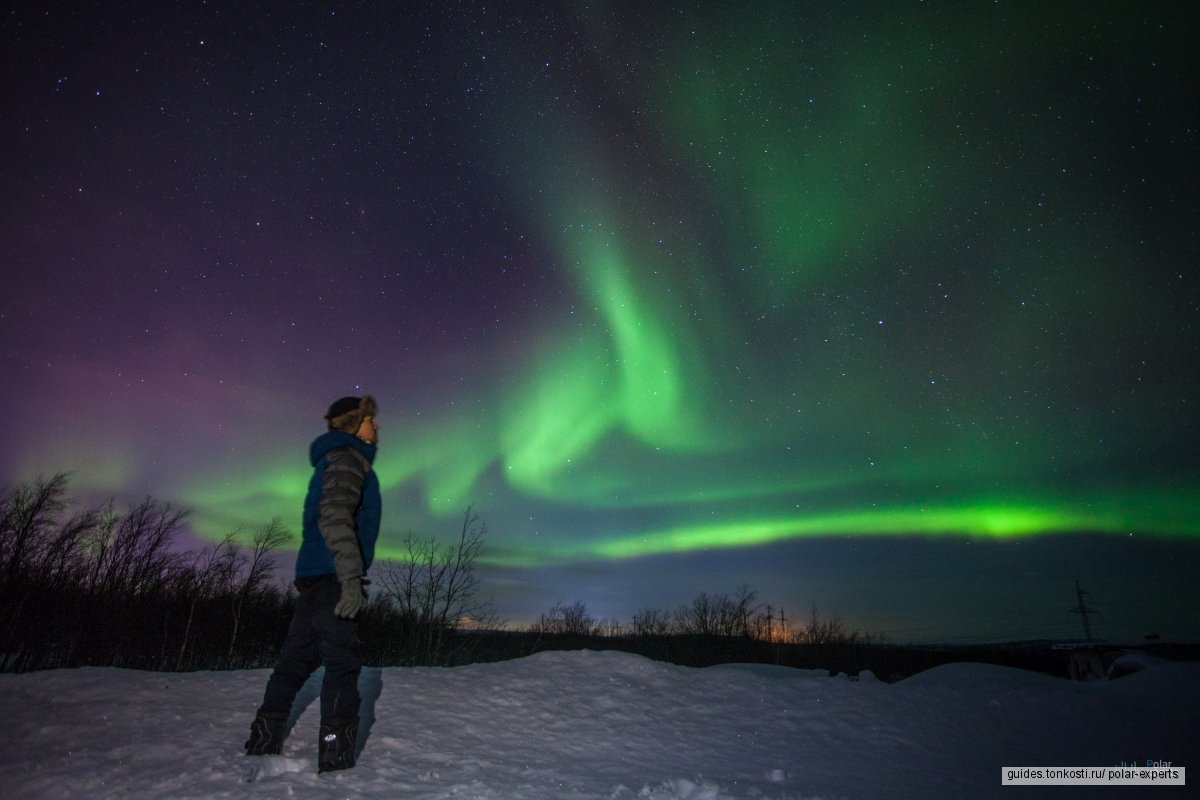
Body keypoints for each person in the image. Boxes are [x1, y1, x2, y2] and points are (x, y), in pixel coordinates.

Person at [244, 395, 381, 773]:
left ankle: (262, 740)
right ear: (355, 424)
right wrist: (351, 578)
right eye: (371, 420)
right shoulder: (348, 460)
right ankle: (335, 761)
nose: (377, 427)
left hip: (314, 577)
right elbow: (335, 517)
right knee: (342, 664)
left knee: (294, 661)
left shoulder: (332, 460)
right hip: (334, 576)